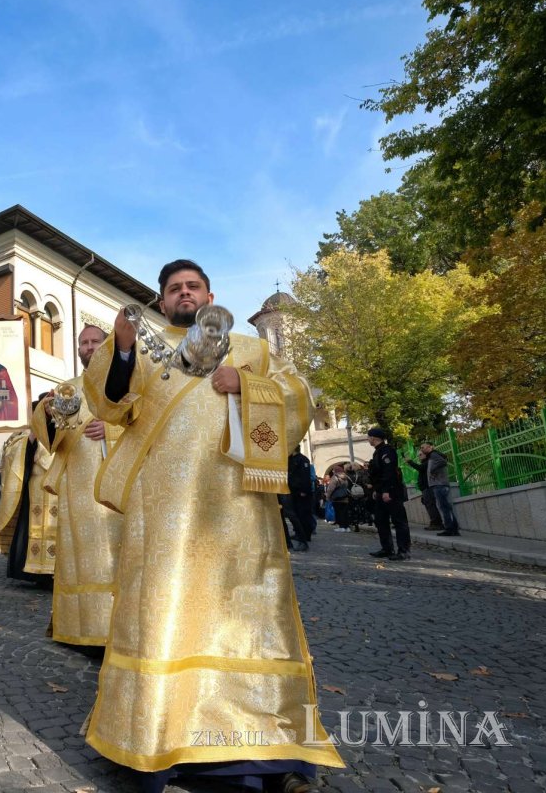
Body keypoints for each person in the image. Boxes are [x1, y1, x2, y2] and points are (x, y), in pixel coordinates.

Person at [84, 259, 344, 793]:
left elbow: (299, 401)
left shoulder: (251, 350)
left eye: (192, 286)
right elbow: (107, 406)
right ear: (161, 302)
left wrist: (248, 389)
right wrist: (124, 344)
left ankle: (272, 761)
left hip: (239, 512)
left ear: (209, 293)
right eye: (174, 289)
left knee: (250, 620)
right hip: (163, 516)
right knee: (164, 617)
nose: (184, 293)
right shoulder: (140, 352)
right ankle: (167, 751)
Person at [33, 324, 123, 647]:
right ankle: (79, 628)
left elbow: (146, 425)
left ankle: (116, 629)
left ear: (107, 344)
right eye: (83, 343)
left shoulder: (125, 383)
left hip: (116, 485)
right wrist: (43, 413)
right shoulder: (66, 389)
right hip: (76, 486)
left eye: (94, 341)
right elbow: (49, 437)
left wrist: (111, 429)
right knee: (80, 558)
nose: (88, 347)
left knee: (115, 556)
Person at [0, 397, 58, 585]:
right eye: (45, 409)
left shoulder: (66, 427)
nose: (49, 412)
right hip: (36, 489)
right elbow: (13, 455)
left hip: (60, 488)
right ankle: (34, 572)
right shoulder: (25, 433)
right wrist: (31, 439)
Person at [366, 427, 411, 561]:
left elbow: (389, 472)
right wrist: (376, 490)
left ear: (373, 437)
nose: (368, 439)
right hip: (381, 491)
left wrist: (386, 490)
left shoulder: (387, 451)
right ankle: (387, 548)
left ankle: (404, 551)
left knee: (399, 521)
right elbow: (377, 475)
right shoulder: (377, 452)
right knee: (380, 521)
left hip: (391, 491)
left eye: (368, 437)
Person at [421, 441, 461, 536]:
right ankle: (453, 528)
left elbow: (443, 462)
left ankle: (450, 529)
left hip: (440, 485)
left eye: (424, 447)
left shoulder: (434, 454)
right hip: (439, 485)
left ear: (431, 447)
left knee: (444, 507)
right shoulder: (432, 456)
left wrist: (432, 469)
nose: (422, 449)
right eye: (421, 448)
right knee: (446, 507)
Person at [286, 446, 316, 552]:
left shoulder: (302, 459)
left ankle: (306, 536)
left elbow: (305, 476)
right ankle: (299, 534)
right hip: (294, 491)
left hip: (301, 492)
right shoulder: (291, 459)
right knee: (297, 514)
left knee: (303, 515)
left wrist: (304, 490)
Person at [406, 447, 443, 531]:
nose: (419, 456)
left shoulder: (428, 462)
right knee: (428, 504)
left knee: (431, 505)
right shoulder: (424, 463)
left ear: (426, 455)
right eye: (418, 455)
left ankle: (437, 523)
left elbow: (420, 468)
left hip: (428, 487)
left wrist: (410, 461)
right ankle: (434, 522)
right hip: (425, 488)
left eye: (420, 455)